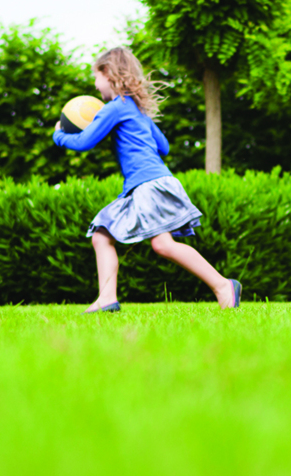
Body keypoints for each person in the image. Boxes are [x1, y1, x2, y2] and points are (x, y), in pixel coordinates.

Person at [53, 46, 240, 313]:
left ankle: (223, 285)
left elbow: (84, 142)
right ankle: (106, 299)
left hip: (148, 184)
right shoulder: (135, 110)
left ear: (108, 74)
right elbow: (164, 147)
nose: (95, 85)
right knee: (102, 234)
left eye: (96, 77)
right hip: (149, 183)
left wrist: (59, 135)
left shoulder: (114, 108)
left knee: (162, 244)